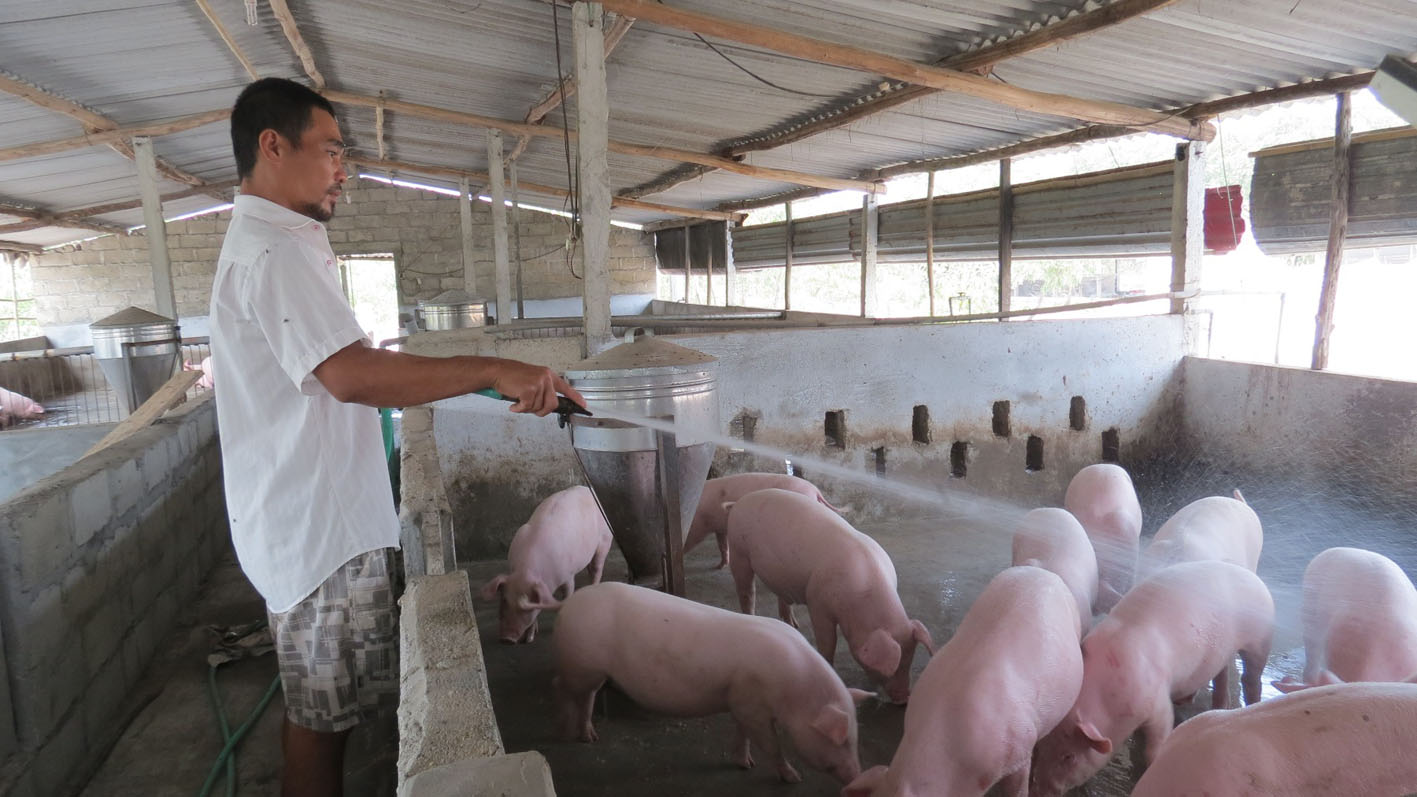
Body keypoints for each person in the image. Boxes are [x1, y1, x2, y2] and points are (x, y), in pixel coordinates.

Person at [209, 77, 585, 797]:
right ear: (271, 145)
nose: (342, 169)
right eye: (330, 150)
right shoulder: (272, 253)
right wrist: (494, 367)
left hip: (312, 520)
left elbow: (341, 369)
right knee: (321, 720)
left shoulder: (281, 243)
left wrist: (486, 376)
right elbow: (351, 374)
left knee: (328, 712)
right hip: (315, 532)